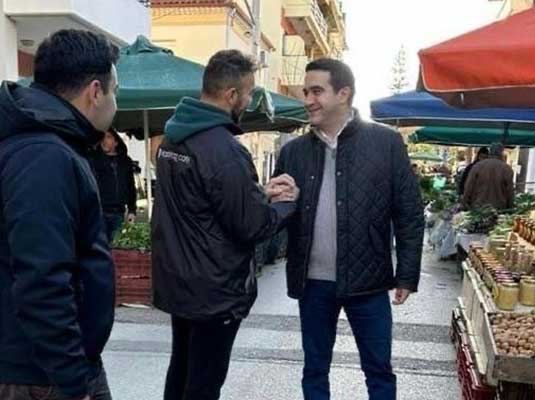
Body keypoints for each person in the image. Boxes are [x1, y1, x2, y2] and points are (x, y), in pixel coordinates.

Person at [271, 58, 425, 400]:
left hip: (368, 282)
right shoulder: (293, 152)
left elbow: (409, 212)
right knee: (314, 369)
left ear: (343, 93)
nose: (308, 100)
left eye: (316, 91)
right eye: (305, 92)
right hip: (313, 284)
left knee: (379, 370)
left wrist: (406, 274)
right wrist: (274, 203)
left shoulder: (385, 143)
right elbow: (277, 215)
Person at [151, 49, 298, 400]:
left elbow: (202, 201)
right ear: (231, 95)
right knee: (204, 382)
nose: (249, 101)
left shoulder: (173, 138)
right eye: (248, 93)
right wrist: (287, 205)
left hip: (179, 280)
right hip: (214, 288)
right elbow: (252, 226)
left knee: (181, 369)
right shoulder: (224, 149)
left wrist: (257, 192)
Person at [0, 29, 119, 400]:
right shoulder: (44, 154)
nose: (115, 103)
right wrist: (72, 380)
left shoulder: (46, 142)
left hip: (50, 364)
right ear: (95, 91)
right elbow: (42, 279)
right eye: (115, 91)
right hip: (42, 373)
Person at [90, 128, 137, 242]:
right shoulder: (94, 160)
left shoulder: (125, 161)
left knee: (116, 246)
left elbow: (131, 186)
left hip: (118, 213)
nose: (104, 141)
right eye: (102, 137)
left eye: (108, 137)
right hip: (99, 213)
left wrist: (132, 210)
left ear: (116, 142)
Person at [463, 143, 514, 210]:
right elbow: (510, 191)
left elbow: (469, 186)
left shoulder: (478, 166)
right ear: (501, 153)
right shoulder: (507, 169)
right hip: (499, 208)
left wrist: (465, 202)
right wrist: (510, 206)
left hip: (478, 207)